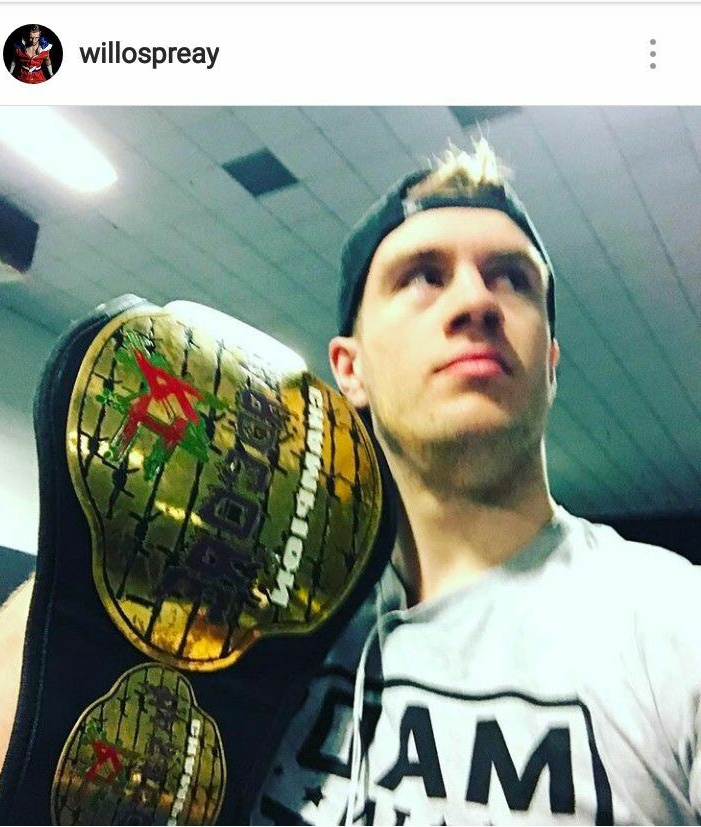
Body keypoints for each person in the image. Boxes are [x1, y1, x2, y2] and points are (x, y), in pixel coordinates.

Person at [250, 140, 701, 825]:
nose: (477, 301)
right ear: (350, 368)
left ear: (550, 361)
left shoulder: (672, 625)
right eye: (423, 276)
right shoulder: (264, 621)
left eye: (512, 279)